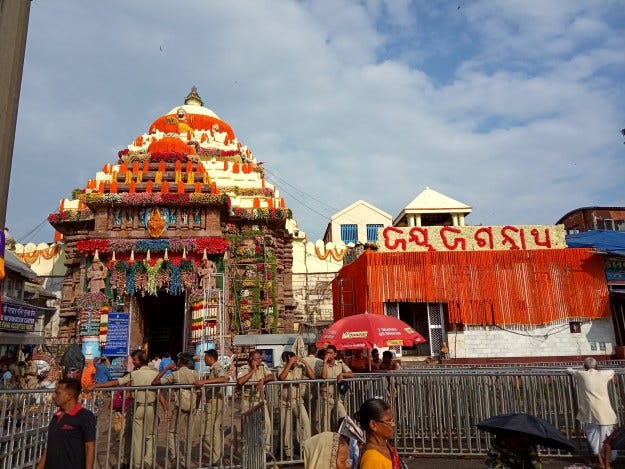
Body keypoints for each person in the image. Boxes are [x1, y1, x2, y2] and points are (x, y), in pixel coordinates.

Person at [87, 349, 158, 469]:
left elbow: (116, 382)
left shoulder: (134, 374)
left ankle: (137, 464)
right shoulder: (155, 374)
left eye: (134, 360)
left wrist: (96, 385)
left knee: (137, 438)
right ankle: (148, 461)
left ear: (139, 361)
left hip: (138, 407)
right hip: (150, 407)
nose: (133, 362)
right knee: (150, 436)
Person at [567, 357, 618, 468]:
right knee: (608, 439)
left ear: (584, 367)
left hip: (590, 414)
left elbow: (569, 370)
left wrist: (573, 370)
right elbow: (612, 371)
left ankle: (601, 464)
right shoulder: (604, 374)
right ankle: (608, 464)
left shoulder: (581, 374)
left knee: (594, 440)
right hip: (605, 413)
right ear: (596, 366)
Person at [36, 378, 96, 469]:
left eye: (58, 393)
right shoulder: (56, 416)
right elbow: (50, 445)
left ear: (69, 396)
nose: (54, 396)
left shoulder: (85, 416)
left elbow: (89, 447)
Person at [152, 352, 198, 466]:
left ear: (180, 361)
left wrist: (166, 368)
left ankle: (174, 457)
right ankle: (186, 461)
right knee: (189, 433)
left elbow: (155, 382)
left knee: (173, 432)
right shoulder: (195, 374)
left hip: (180, 406)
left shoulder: (175, 375)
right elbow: (199, 392)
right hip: (192, 406)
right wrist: (196, 405)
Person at [194, 349, 229, 466]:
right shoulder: (212, 369)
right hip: (212, 402)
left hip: (214, 402)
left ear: (210, 358)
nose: (204, 360)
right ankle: (216, 457)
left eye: (205, 358)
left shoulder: (217, 367)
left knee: (208, 433)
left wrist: (204, 382)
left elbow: (224, 379)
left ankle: (216, 457)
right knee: (212, 432)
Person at [237, 350, 275, 454]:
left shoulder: (263, 366)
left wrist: (263, 379)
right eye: (258, 359)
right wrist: (253, 370)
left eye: (260, 358)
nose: (260, 360)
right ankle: (248, 452)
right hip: (247, 402)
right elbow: (240, 381)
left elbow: (272, 376)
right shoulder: (244, 368)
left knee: (267, 425)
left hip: (260, 401)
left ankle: (265, 451)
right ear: (251, 359)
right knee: (248, 427)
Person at [278, 351, 314, 458]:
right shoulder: (281, 367)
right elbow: (281, 377)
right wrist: (289, 364)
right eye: (291, 359)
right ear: (286, 359)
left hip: (298, 400)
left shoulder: (300, 367)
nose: (294, 361)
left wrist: (305, 363)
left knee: (305, 423)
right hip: (285, 402)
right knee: (286, 428)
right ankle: (288, 453)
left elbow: (312, 376)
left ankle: (304, 449)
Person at [357, 398, 404, 469]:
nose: (393, 424)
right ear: (373, 425)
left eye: (392, 420)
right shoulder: (372, 459)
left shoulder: (385, 447)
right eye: (388, 421)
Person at [315, 345, 354, 432]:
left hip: (337, 398)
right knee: (325, 425)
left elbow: (351, 374)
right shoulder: (321, 364)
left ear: (335, 354)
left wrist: (342, 374)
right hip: (325, 397)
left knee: (344, 418)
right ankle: (327, 439)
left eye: (330, 353)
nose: (328, 355)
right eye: (327, 353)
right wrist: (325, 363)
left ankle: (344, 438)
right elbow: (324, 376)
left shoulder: (339, 363)